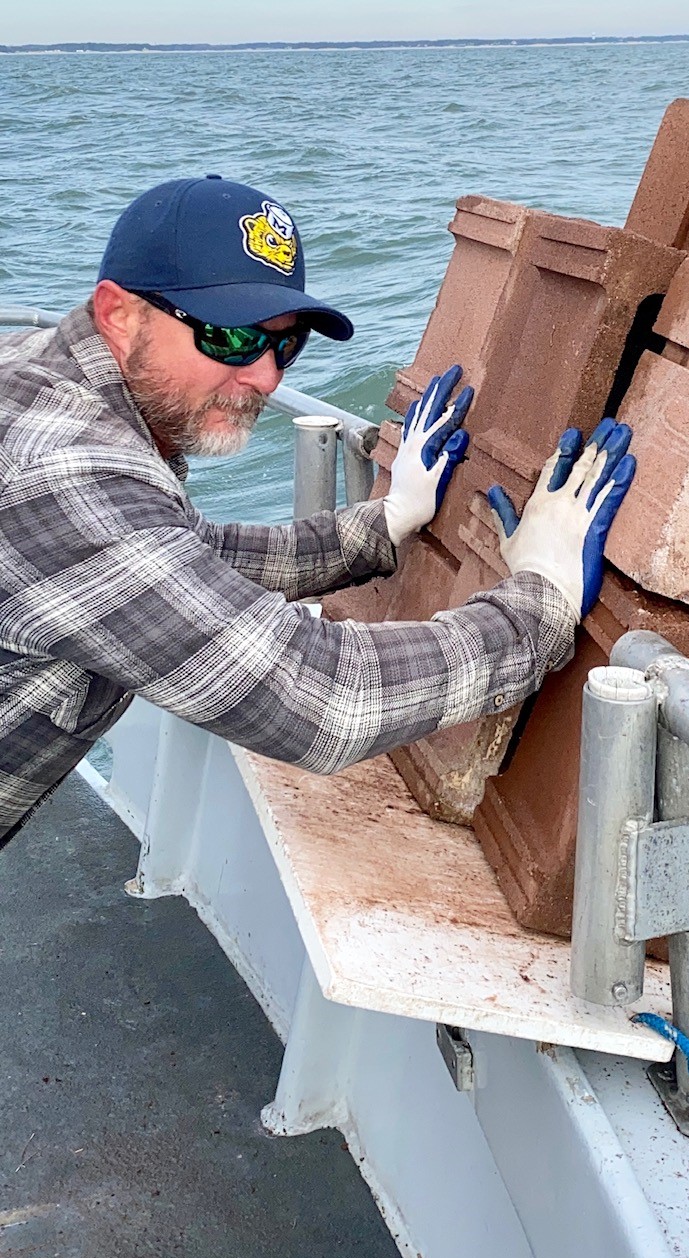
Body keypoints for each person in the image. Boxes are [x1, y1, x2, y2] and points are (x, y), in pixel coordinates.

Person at [0, 175, 635, 848]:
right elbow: (325, 700)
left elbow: (184, 556)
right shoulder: (61, 469)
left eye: (286, 344)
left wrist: (384, 524)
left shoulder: (42, 377)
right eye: (229, 338)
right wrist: (540, 603)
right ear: (120, 314)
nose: (267, 377)